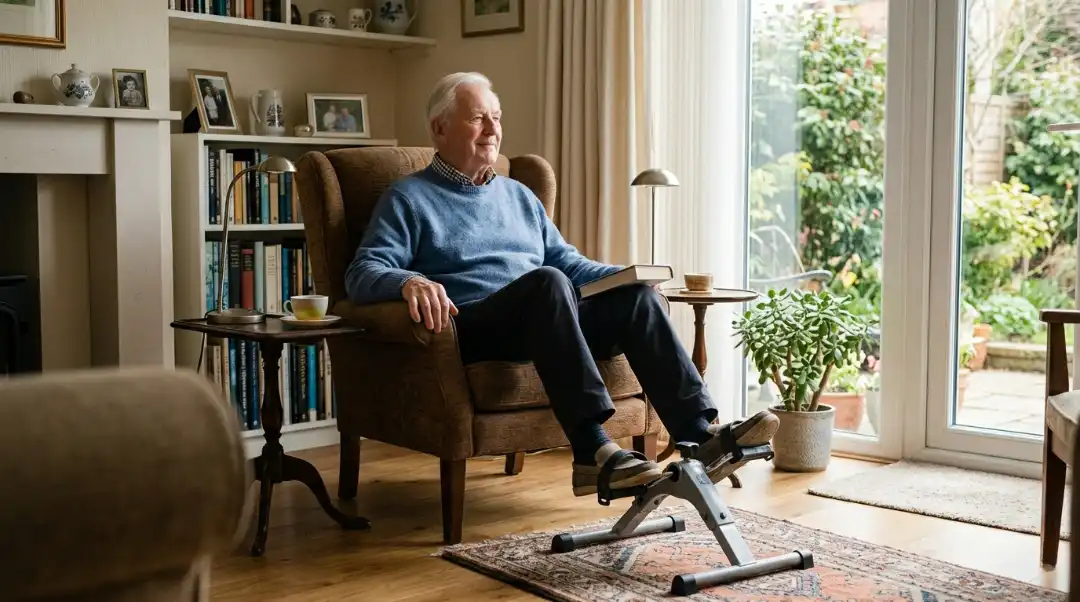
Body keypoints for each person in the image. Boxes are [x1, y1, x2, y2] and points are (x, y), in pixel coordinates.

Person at [344, 72, 778, 498]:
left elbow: (566, 262)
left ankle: (698, 434)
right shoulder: (408, 198)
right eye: (478, 118)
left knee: (635, 299)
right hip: (475, 326)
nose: (493, 129)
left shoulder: (518, 196)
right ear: (440, 129)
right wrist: (409, 280)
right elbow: (362, 272)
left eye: (496, 117)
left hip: (548, 318)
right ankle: (591, 450)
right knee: (548, 284)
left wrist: (624, 277)